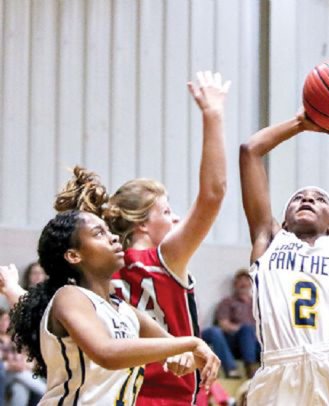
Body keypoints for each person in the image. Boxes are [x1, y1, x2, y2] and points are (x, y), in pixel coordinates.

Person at [52, 70, 230, 405]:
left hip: (110, 393)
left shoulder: (96, 269)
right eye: (166, 211)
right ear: (142, 225)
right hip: (163, 395)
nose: (176, 218)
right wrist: (213, 115)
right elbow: (213, 194)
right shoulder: (165, 258)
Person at [239, 70, 329, 405]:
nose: (307, 200)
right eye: (298, 198)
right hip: (278, 369)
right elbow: (250, 151)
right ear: (285, 218)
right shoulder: (269, 238)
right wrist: (302, 123)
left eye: (319, 199)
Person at [6, 210, 220, 405]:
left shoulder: (126, 312)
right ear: (74, 255)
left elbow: (183, 355)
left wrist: (188, 357)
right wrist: (190, 343)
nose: (114, 237)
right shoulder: (70, 296)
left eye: (109, 230)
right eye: (99, 233)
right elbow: (106, 353)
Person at [201, 269, 260, 379]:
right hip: (234, 342)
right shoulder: (228, 302)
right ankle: (245, 368)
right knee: (247, 329)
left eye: (246, 280)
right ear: (235, 284)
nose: (243, 283)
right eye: (240, 280)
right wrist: (243, 330)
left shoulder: (257, 304)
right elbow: (224, 324)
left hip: (254, 344)